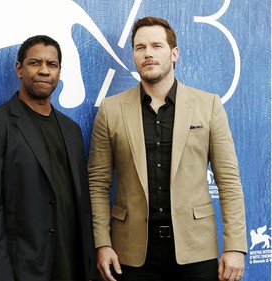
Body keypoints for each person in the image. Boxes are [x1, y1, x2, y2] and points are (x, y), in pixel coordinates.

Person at [88, 16, 247, 281]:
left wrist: (235, 246)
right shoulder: (111, 109)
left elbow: (228, 181)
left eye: (156, 46)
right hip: (131, 253)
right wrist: (102, 243)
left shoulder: (208, 106)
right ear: (134, 56)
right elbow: (98, 183)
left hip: (195, 250)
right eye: (140, 48)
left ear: (174, 54)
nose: (148, 53)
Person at [0, 35, 97, 281]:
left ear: (59, 71)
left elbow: (82, 207)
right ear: (19, 69)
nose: (44, 71)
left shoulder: (72, 130)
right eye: (35, 63)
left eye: (52, 64)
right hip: (24, 271)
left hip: (73, 267)